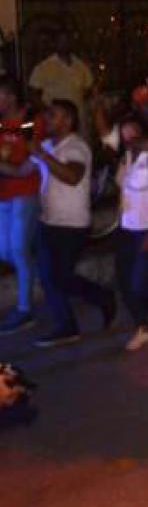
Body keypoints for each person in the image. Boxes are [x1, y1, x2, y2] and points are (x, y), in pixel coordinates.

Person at [29, 99, 115, 347]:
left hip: (71, 224)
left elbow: (72, 176)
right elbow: (23, 170)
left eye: (53, 115)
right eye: (47, 114)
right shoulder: (45, 144)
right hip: (47, 221)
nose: (47, 119)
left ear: (68, 120)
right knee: (48, 276)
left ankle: (102, 297)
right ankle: (66, 325)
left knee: (61, 278)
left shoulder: (76, 147)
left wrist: (42, 155)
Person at [113, 116, 148, 352]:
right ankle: (143, 325)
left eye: (133, 134)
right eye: (124, 136)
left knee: (141, 281)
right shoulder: (126, 158)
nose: (129, 140)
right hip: (125, 225)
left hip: (145, 227)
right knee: (124, 279)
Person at [0, 76, 41, 333]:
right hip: (4, 195)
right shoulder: (2, 123)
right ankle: (33, 268)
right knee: (7, 251)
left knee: (17, 249)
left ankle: (25, 309)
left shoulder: (30, 122)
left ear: (11, 97)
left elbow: (28, 166)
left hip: (24, 194)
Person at [26, 29, 94, 126]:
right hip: (54, 121)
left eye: (67, 40)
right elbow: (33, 94)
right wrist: (47, 112)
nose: (65, 43)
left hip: (78, 120)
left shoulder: (81, 66)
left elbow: (89, 89)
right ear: (54, 43)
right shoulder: (44, 67)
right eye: (61, 40)